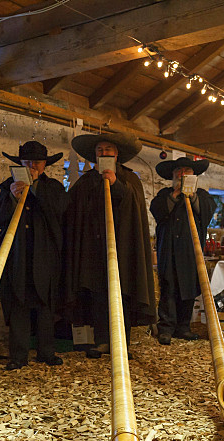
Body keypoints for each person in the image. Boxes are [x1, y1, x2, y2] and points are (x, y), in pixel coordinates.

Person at [62, 131, 156, 359]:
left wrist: (115, 184)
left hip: (123, 250)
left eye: (108, 150)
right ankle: (102, 341)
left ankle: (121, 343)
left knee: (121, 294)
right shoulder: (85, 182)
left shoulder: (129, 179)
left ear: (116, 154)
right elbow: (72, 211)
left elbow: (132, 207)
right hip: (93, 251)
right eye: (100, 150)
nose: (104, 153)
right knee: (98, 295)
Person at [0, 141, 69, 370]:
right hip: (18, 256)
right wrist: (14, 197)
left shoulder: (52, 187)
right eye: (27, 162)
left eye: (36, 162)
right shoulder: (8, 187)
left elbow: (60, 208)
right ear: (20, 164)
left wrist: (34, 188)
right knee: (18, 303)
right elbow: (0, 218)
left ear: (44, 165)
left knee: (46, 304)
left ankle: (46, 351)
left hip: (45, 255)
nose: (32, 166)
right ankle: (18, 356)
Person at [149, 156, 215, 345]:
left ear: (193, 174)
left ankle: (183, 327)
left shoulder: (202, 196)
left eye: (186, 170)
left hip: (189, 250)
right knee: (168, 286)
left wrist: (192, 196)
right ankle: (166, 328)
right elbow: (158, 211)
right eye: (178, 171)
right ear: (173, 175)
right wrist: (175, 196)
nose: (182, 174)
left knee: (188, 287)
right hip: (168, 249)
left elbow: (208, 212)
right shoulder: (164, 194)